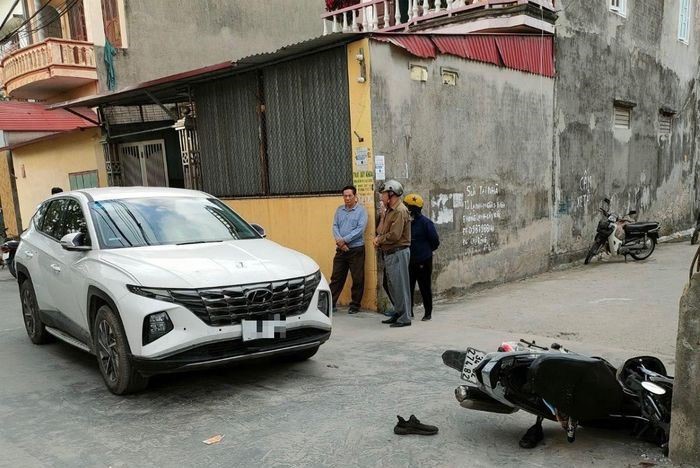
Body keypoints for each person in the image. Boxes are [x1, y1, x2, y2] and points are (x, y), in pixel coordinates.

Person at [374, 179, 412, 328]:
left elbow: (395, 235)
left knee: (400, 285)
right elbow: (381, 230)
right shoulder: (389, 210)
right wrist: (383, 216)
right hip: (390, 253)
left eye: (383, 194)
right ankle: (398, 312)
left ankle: (404, 318)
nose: (381, 197)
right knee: (392, 285)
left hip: (398, 252)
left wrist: (379, 240)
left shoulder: (400, 211)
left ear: (392, 194)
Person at [329, 185, 368, 314]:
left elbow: (360, 230)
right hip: (341, 249)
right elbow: (335, 226)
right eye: (345, 196)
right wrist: (340, 243)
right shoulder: (339, 210)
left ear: (355, 196)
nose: (347, 198)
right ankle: (330, 303)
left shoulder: (361, 211)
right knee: (336, 277)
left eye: (350, 196)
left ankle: (355, 305)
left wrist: (344, 240)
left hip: (356, 249)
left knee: (357, 278)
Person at [404, 193, 440, 321]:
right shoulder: (407, 222)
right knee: (408, 287)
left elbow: (435, 241)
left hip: (423, 260)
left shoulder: (426, 223)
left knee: (424, 287)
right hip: (409, 260)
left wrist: (426, 252)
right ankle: (409, 312)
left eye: (407, 206)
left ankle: (428, 312)